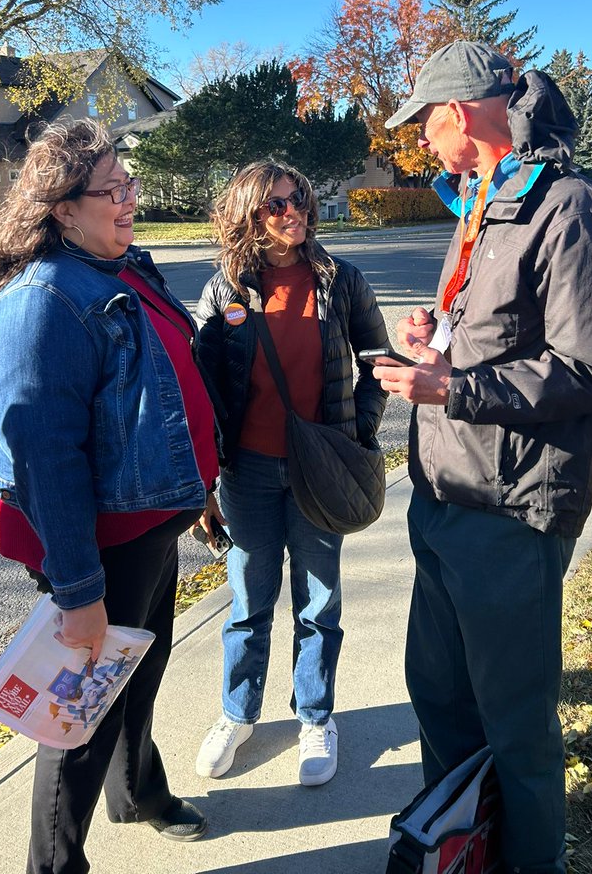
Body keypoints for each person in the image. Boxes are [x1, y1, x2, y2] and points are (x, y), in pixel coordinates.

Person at [374, 41, 592, 874]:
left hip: (512, 515)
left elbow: (587, 371)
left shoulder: (572, 208)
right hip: (444, 498)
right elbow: (493, 338)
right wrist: (438, 338)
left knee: (516, 725)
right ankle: (461, 853)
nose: (418, 141)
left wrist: (453, 388)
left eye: (421, 122)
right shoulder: (481, 202)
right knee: (441, 702)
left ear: (455, 113)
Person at [0, 119, 219, 874]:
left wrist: (199, 491)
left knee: (137, 673)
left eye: (129, 184)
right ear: (60, 206)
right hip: (99, 545)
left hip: (151, 523)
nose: (129, 200)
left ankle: (138, 792)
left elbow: (162, 403)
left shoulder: (118, 267)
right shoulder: (42, 300)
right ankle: (54, 866)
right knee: (76, 714)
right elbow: (43, 458)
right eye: (111, 190)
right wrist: (79, 590)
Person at [192, 158, 388, 787]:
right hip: (246, 472)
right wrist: (204, 480)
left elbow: (377, 359)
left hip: (318, 467)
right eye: (275, 205)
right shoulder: (226, 291)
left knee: (318, 601)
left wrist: (355, 431)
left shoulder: (341, 280)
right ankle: (237, 714)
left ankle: (315, 716)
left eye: (298, 199)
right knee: (249, 602)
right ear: (248, 215)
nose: (293, 213)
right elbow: (201, 389)